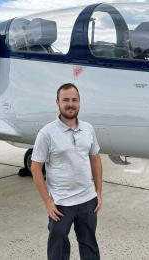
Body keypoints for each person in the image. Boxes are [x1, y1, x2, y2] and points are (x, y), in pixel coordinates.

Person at [31, 83, 102, 260]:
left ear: (79, 102)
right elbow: (35, 167)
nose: (70, 104)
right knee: (58, 251)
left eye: (74, 100)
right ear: (57, 102)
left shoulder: (88, 128)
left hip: (87, 201)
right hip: (60, 204)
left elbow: (95, 158)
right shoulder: (46, 133)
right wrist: (48, 201)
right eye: (66, 100)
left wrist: (98, 192)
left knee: (89, 246)